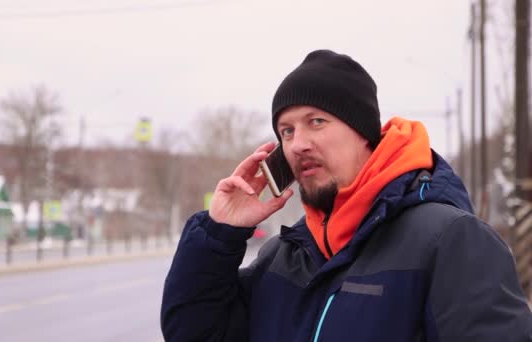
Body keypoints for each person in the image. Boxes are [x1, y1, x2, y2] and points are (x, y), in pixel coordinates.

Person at [161, 50, 532, 341]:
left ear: (364, 134)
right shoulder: (281, 257)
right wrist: (218, 232)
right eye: (286, 131)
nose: (298, 144)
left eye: (316, 122)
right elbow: (194, 332)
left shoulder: (451, 241)